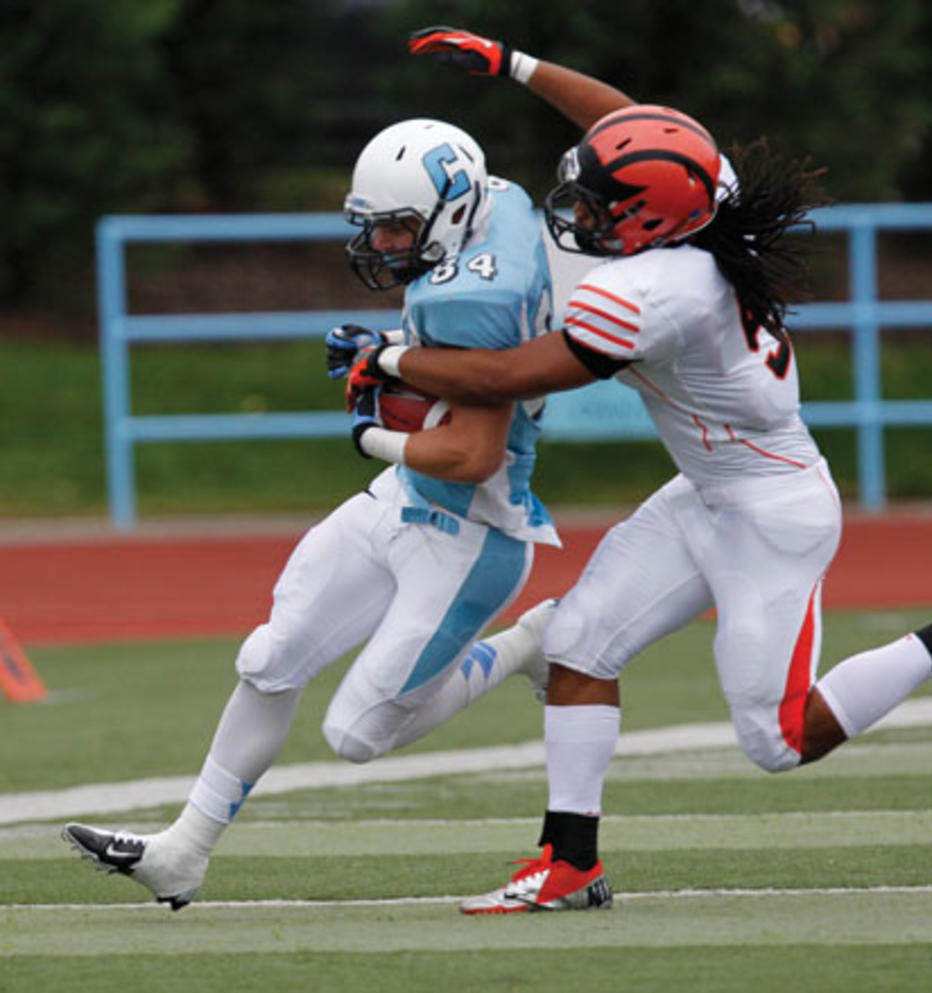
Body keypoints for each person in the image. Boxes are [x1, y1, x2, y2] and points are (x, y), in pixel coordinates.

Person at [346, 27, 932, 914]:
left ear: (649, 220)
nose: (578, 214)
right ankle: (570, 862)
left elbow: (510, 376)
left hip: (773, 512)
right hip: (707, 488)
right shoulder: (701, 201)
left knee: (778, 738)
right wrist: (515, 65)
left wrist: (391, 360)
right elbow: (634, 126)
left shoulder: (653, 292)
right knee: (580, 643)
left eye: (597, 208)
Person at [61, 117, 564, 910]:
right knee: (269, 655)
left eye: (400, 227)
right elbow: (453, 345)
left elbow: (473, 455)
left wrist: (372, 433)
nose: (388, 244)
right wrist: (394, 344)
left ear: (451, 208)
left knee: (357, 735)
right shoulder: (495, 205)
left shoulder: (478, 295)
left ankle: (529, 644)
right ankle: (183, 851)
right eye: (378, 226)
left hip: (473, 532)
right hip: (402, 504)